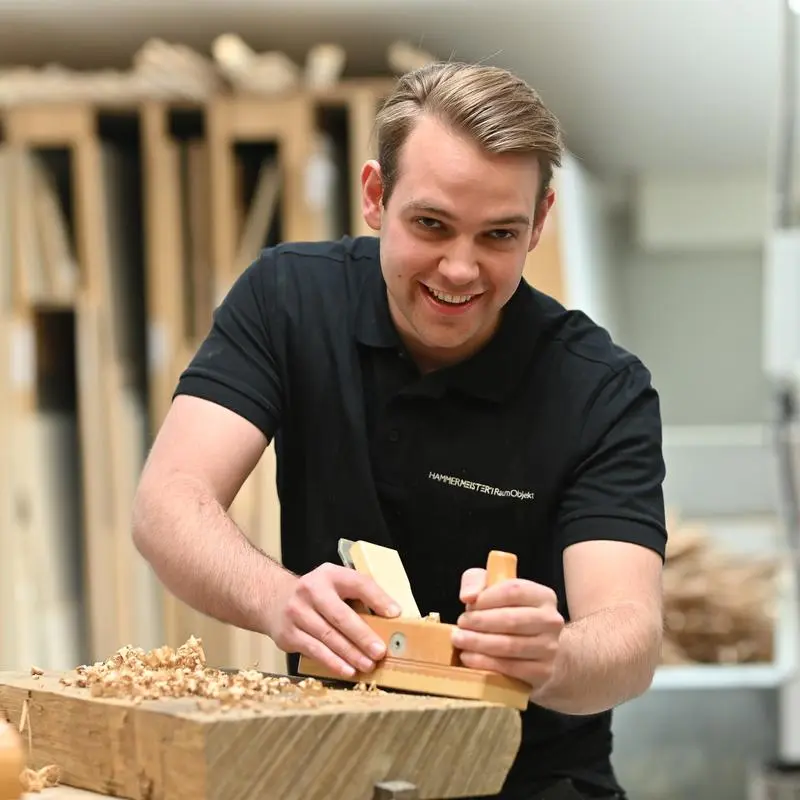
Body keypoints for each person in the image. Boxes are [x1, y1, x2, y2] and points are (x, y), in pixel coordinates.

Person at [131, 61, 666, 800]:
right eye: (431, 225)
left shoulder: (602, 389)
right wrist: (278, 599)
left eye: (499, 235)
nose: (459, 270)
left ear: (540, 222)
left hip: (531, 778)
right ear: (376, 196)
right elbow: (168, 501)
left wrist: (555, 656)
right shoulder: (289, 299)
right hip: (326, 765)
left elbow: (630, 638)